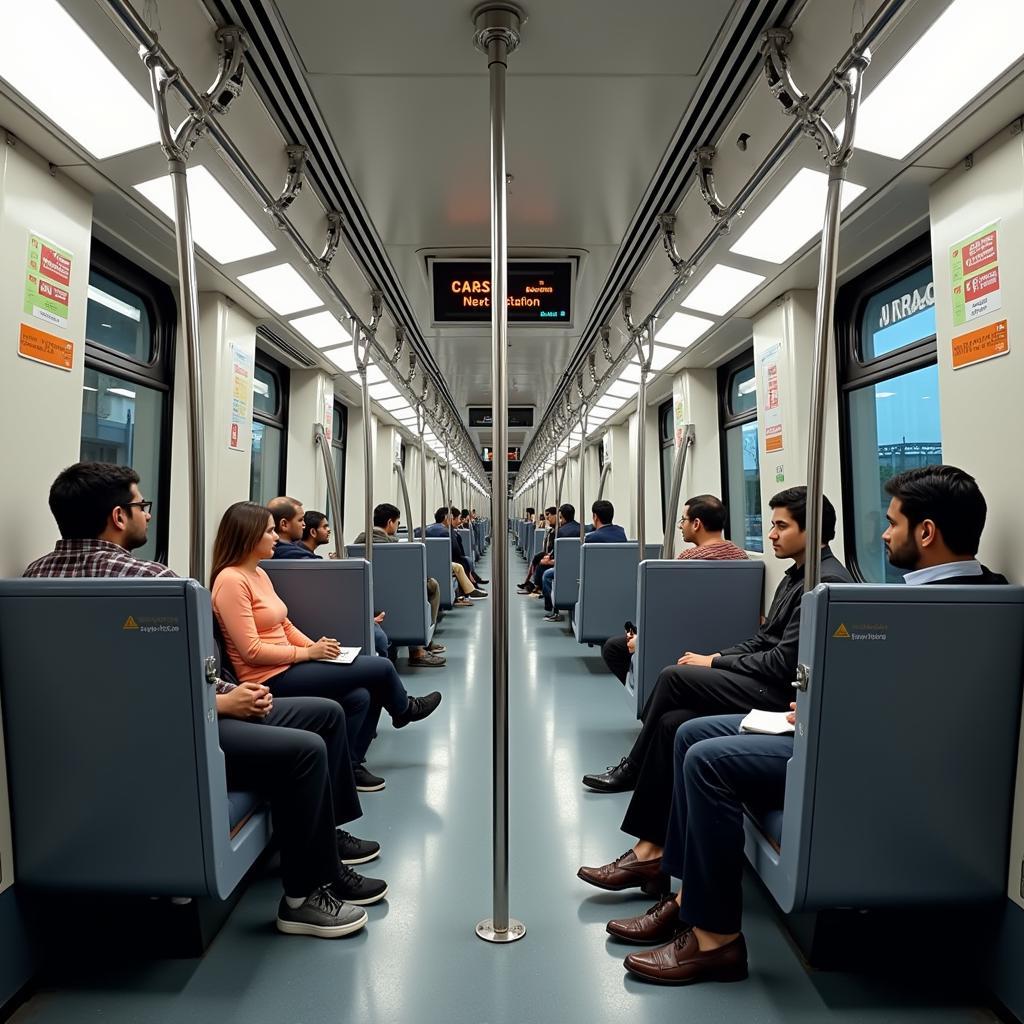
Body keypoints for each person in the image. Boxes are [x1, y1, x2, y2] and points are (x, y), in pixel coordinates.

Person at [608, 465, 1006, 985]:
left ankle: (716, 940)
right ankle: (681, 891)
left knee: (706, 759)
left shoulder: (946, 608)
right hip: (840, 729)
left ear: (926, 532)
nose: (883, 534)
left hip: (855, 751)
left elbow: (926, 718)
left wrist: (824, 709)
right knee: (687, 732)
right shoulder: (935, 599)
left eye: (892, 523)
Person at [24, 463, 381, 935]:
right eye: (141, 506)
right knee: (306, 748)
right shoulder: (152, 585)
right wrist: (224, 701)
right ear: (117, 516)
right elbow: (177, 680)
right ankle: (301, 898)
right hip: (173, 731)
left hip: (90, 742)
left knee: (328, 713)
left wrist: (226, 693)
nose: (147, 516)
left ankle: (325, 852)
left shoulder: (34, 580)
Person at [578, 487, 853, 902]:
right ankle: (650, 853)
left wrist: (717, 665)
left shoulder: (823, 582)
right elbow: (763, 640)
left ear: (811, 531)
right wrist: (716, 655)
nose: (772, 534)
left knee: (673, 677)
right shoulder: (796, 576)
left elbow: (782, 664)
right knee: (673, 724)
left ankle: (633, 768)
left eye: (781, 526)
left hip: (778, 695)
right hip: (764, 681)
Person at [210, 501, 442, 795]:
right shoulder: (230, 581)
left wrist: (316, 646)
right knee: (380, 667)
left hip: (290, 664)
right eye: (269, 531)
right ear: (248, 535)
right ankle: (404, 709)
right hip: (267, 677)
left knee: (360, 696)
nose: (274, 537)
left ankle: (351, 766)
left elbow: (284, 625)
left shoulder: (259, 574)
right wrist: (307, 654)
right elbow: (251, 651)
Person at [599, 495, 748, 683]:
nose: (680, 526)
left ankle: (644, 693)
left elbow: (671, 613)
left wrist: (644, 640)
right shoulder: (742, 557)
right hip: (730, 643)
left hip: (686, 639)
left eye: (683, 520)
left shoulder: (688, 559)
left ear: (696, 524)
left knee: (613, 647)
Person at [353, 503, 446, 667]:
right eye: (397, 523)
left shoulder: (357, 544)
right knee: (429, 586)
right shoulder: (396, 547)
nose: (397, 527)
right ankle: (420, 646)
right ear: (390, 522)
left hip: (369, 596)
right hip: (398, 598)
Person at [300, 509, 392, 657]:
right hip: (326, 618)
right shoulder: (309, 562)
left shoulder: (308, 558)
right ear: (312, 532)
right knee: (380, 637)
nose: (329, 530)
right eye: (325, 526)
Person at [426, 507, 488, 603]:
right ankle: (470, 590)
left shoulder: (430, 528)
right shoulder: (445, 532)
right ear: (448, 518)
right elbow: (456, 551)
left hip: (428, 562)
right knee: (460, 564)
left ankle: (471, 586)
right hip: (442, 563)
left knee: (462, 562)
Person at [539, 504, 585, 622]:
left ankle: (554, 608)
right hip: (581, 567)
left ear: (562, 517)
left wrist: (550, 561)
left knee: (546, 575)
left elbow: (560, 557)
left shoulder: (561, 532)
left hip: (565, 569)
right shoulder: (583, 529)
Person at [517, 506, 557, 595]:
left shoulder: (558, 531)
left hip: (552, 555)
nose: (547, 518)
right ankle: (528, 582)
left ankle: (533, 585)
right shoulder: (551, 529)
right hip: (550, 553)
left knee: (539, 561)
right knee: (536, 558)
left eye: (548, 515)